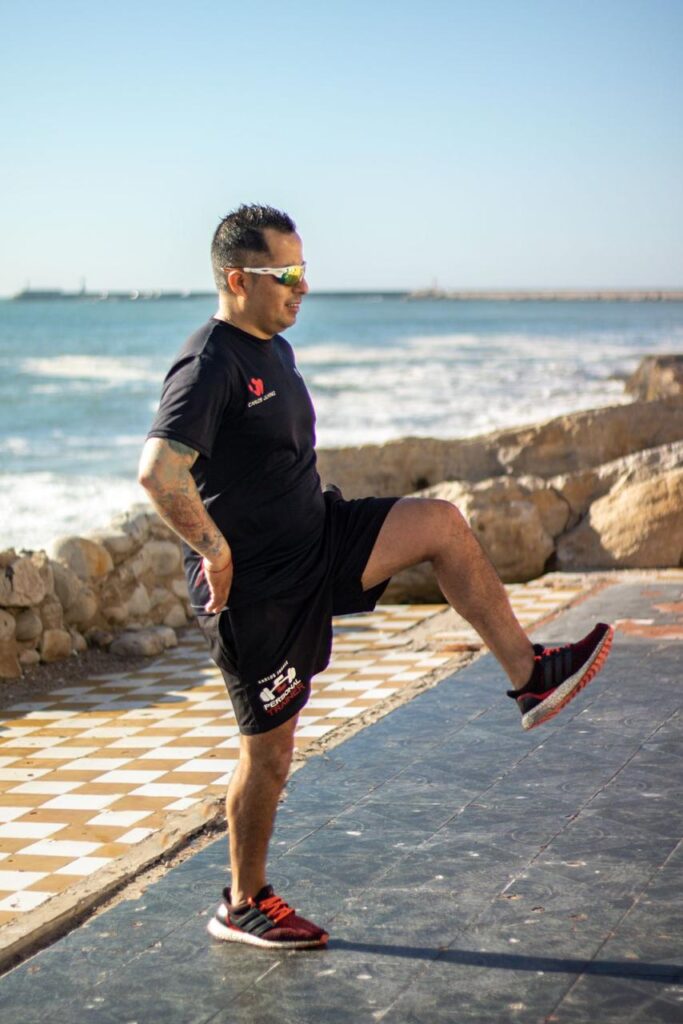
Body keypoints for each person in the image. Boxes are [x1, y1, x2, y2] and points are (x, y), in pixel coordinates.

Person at [138, 203, 613, 951]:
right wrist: (215, 552)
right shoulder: (209, 365)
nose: (302, 286)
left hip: (320, 539)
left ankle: (529, 674)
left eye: (303, 270)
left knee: (442, 524)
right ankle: (243, 902)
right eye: (285, 273)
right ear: (237, 279)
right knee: (270, 755)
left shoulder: (273, 348)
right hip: (258, 591)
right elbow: (159, 472)